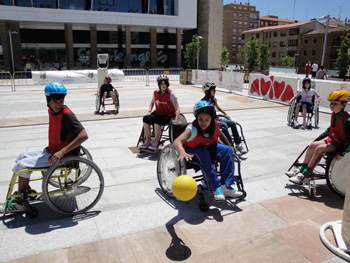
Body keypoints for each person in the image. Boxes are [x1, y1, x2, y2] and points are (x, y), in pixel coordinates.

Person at [0, 83, 88, 213]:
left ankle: (20, 202)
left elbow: (84, 135)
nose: (58, 104)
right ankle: (24, 190)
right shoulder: (51, 111)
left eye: (61, 101)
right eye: (55, 101)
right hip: (51, 149)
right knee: (22, 156)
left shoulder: (67, 115)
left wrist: (62, 151)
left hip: (61, 156)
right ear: (48, 101)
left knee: (23, 165)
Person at [173, 101, 243, 201]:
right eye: (200, 119)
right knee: (204, 153)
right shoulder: (192, 129)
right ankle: (215, 187)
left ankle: (226, 185)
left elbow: (222, 136)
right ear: (196, 118)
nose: (203, 122)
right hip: (192, 150)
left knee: (227, 150)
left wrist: (230, 147)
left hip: (208, 146)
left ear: (211, 119)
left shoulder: (214, 125)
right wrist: (181, 151)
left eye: (207, 120)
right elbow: (177, 140)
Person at [286, 89, 350, 185]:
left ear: (344, 104)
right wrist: (319, 138)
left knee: (320, 149)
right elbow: (331, 129)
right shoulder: (334, 114)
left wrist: (342, 152)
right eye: (331, 103)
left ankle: (305, 174)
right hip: (332, 140)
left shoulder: (346, 119)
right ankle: (302, 169)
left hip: (340, 144)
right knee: (312, 145)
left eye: (335, 103)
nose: (332, 105)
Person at [201, 82, 247, 154]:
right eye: (212, 90)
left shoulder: (214, 100)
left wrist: (225, 113)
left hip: (216, 118)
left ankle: (238, 144)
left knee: (232, 123)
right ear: (207, 91)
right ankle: (231, 146)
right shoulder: (203, 102)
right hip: (210, 121)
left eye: (214, 90)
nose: (214, 91)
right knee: (224, 125)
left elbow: (218, 108)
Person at [139, 75, 180, 151]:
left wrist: (176, 119)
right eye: (161, 84)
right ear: (159, 85)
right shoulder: (155, 93)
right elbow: (151, 103)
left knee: (157, 121)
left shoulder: (171, 94)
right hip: (158, 113)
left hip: (168, 115)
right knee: (145, 118)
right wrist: (149, 111)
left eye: (164, 83)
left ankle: (156, 141)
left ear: (167, 84)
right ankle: (148, 140)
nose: (163, 85)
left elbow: (177, 108)